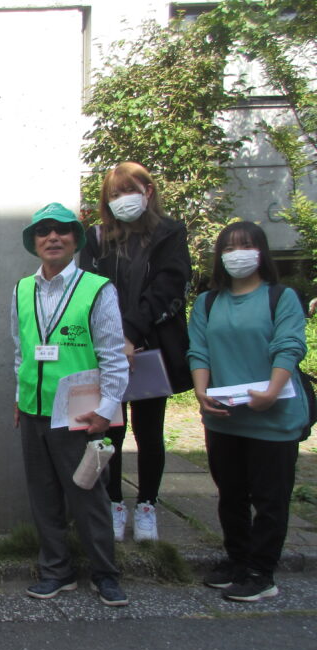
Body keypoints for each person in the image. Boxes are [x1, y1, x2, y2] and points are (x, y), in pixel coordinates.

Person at [12, 203, 130, 607]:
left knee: (87, 494)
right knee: (43, 496)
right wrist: (19, 397)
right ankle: (56, 571)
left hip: (79, 414)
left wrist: (107, 409)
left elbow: (113, 355)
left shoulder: (97, 289)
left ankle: (105, 574)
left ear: (75, 240)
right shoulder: (21, 290)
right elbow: (20, 350)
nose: (53, 237)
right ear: (34, 242)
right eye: (43, 231)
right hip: (34, 410)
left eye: (62, 230)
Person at [188, 220, 307, 602]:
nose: (237, 254)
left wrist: (272, 391)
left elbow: (289, 345)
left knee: (270, 500)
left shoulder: (281, 297)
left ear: (261, 252)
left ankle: (261, 572)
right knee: (231, 495)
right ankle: (237, 560)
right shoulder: (208, 302)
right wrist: (201, 391)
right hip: (224, 418)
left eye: (245, 246)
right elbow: (199, 350)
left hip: (273, 417)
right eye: (229, 247)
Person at [80, 161, 192, 543]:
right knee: (110, 427)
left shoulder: (170, 233)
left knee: (150, 431)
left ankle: (147, 504)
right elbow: (90, 291)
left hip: (150, 348)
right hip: (105, 349)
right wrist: (113, 341)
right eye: (114, 194)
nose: (122, 199)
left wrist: (130, 334)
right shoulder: (95, 238)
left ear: (148, 191)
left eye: (129, 190)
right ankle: (114, 502)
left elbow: (167, 288)